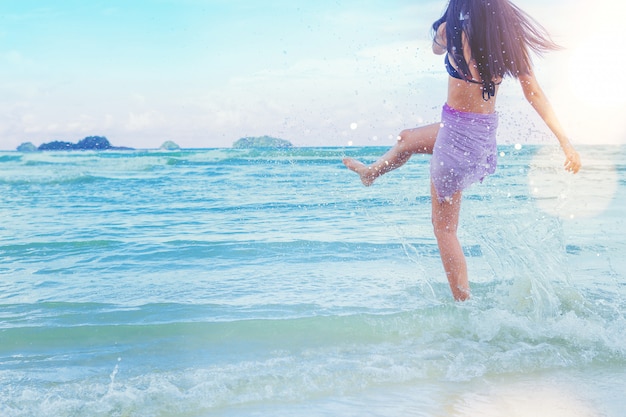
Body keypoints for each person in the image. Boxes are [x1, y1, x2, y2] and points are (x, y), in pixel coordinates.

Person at [343, 0, 581, 301]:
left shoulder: (451, 29)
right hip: (480, 134)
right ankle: (370, 173)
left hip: (455, 139)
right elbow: (533, 92)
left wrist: (445, 25)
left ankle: (463, 304)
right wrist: (565, 142)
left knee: (444, 229)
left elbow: (435, 49)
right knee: (407, 139)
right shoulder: (506, 36)